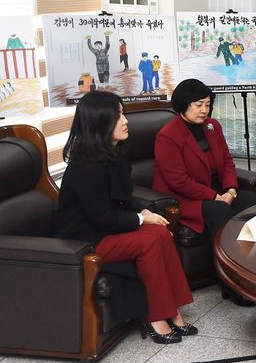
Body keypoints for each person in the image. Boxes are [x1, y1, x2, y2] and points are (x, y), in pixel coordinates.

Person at [55, 91, 196, 344]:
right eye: (118, 116)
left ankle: (172, 309)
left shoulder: (111, 155)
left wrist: (144, 212)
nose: (125, 121)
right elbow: (103, 218)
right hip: (85, 238)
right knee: (149, 240)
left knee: (161, 232)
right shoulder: (85, 166)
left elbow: (122, 197)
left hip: (106, 230)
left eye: (123, 113)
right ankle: (155, 316)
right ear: (100, 123)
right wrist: (141, 220)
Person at [152, 78, 256, 305]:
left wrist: (231, 190)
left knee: (252, 201)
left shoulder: (213, 126)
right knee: (219, 212)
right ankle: (230, 284)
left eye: (208, 104)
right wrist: (216, 197)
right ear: (183, 104)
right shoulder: (167, 136)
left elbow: (226, 162)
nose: (205, 110)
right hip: (184, 199)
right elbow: (178, 181)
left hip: (217, 192)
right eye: (198, 104)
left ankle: (255, 273)